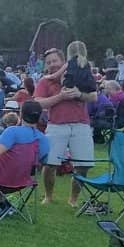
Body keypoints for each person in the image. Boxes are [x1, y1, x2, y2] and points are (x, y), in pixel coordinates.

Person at [34, 48, 97, 206]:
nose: (52, 65)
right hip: (56, 125)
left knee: (83, 165)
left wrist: (79, 94)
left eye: (55, 61)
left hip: (81, 124)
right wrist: (60, 97)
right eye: (48, 63)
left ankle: (73, 199)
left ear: (63, 61)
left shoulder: (79, 73)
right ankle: (48, 196)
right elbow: (38, 103)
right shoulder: (45, 81)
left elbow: (93, 96)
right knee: (50, 164)